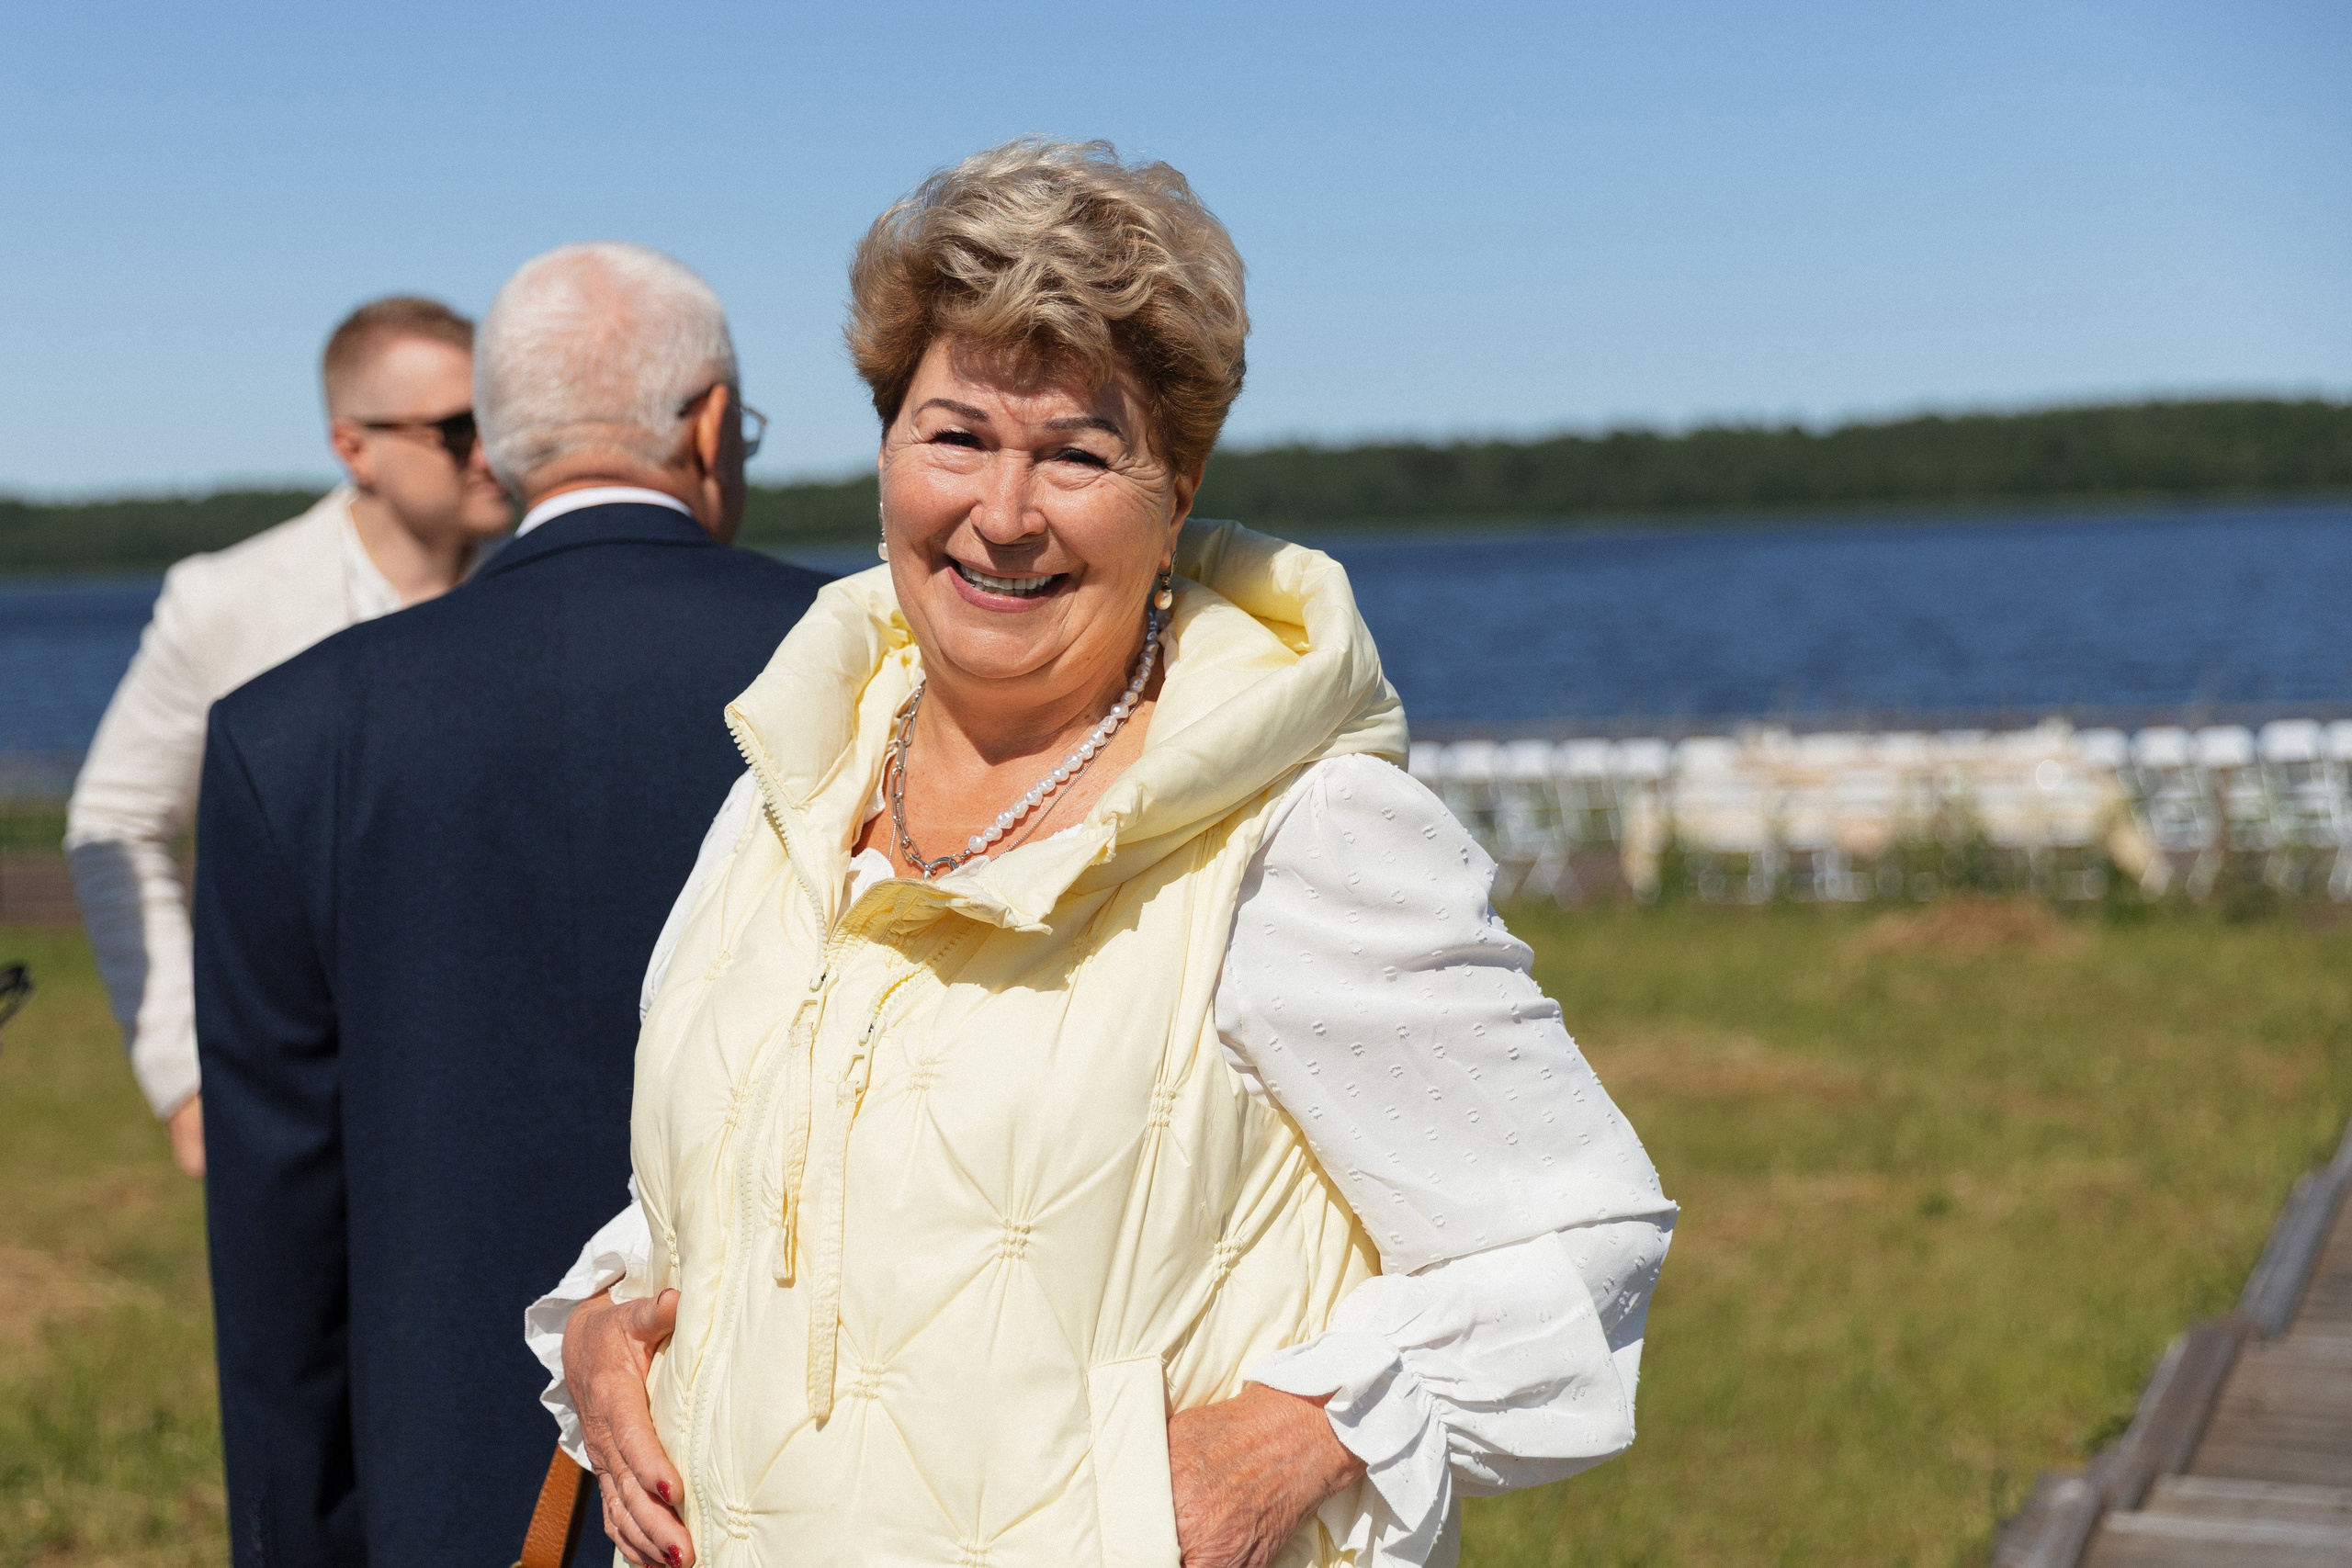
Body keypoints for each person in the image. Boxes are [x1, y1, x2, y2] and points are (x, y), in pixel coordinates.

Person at [540, 141, 1676, 1568]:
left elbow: (1583, 1238)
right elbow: (757, 1173)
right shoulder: (793, 787)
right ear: (886, 447)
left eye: (1077, 453)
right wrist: (603, 1327)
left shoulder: (1300, 832)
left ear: (1176, 487)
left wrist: (1305, 1430)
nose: (1004, 513)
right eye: (955, 435)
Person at [193, 243, 828, 1565]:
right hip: (819, 1469)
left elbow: (280, 1253)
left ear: (495, 445)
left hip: (448, 1490)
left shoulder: (290, 739)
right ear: (712, 426)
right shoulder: (871, 673)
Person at [65, 295, 513, 1178]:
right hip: (313, 1105)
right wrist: (183, 1075)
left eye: (499, 417)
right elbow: (112, 822)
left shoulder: (544, 585)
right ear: (354, 447)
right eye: (458, 429)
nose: (492, 453)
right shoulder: (224, 601)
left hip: (517, 1082)